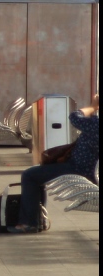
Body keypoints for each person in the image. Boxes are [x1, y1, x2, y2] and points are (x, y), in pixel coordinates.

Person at [13, 96, 99, 233]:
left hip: (79, 170)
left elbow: (74, 116)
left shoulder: (95, 124)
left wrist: (93, 107)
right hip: (90, 170)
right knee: (37, 174)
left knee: (30, 175)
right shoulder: (94, 123)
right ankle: (36, 220)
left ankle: (30, 222)